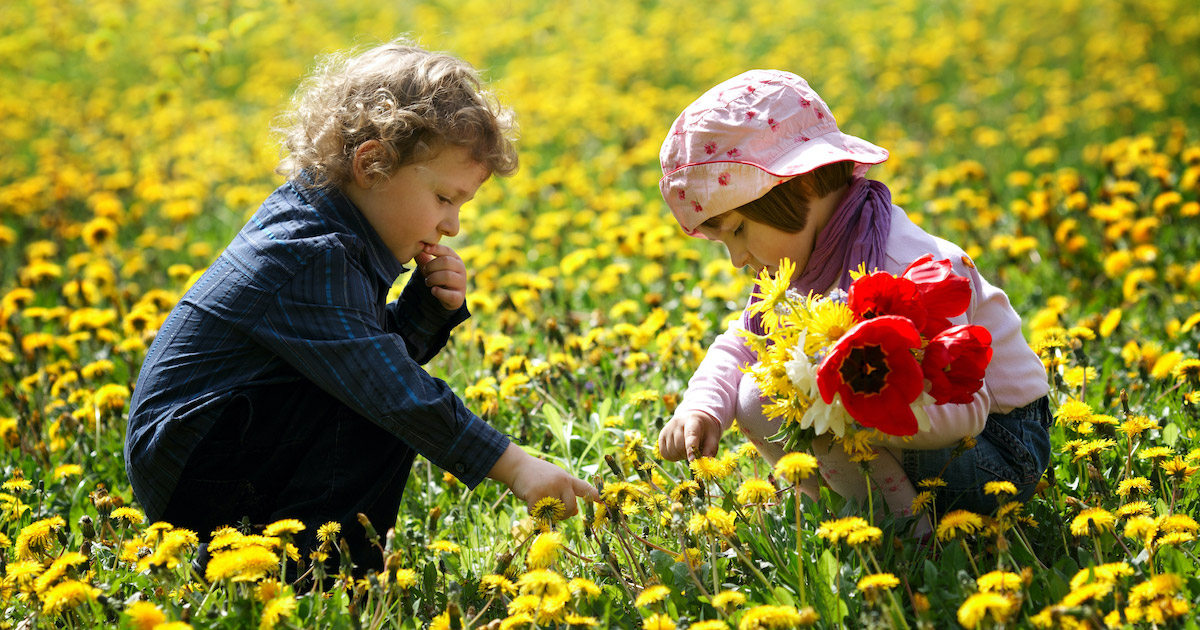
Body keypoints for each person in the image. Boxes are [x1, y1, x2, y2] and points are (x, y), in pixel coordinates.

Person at [125, 40, 598, 574]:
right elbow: (387, 386)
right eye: (445, 199)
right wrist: (515, 466)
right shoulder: (310, 254)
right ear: (371, 164)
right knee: (386, 409)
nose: (453, 226)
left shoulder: (328, 227)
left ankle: (315, 570)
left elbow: (359, 354)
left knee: (374, 397)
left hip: (214, 451)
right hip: (204, 473)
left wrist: (425, 310)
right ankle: (322, 580)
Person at [655, 69, 1051, 519]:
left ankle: (903, 536)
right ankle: (841, 515)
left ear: (801, 183)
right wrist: (703, 406)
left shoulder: (905, 269)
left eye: (740, 231)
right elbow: (743, 343)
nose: (737, 260)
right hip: (917, 436)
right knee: (759, 393)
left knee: (808, 397)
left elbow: (966, 411)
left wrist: (849, 407)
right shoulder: (805, 262)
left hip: (995, 450)